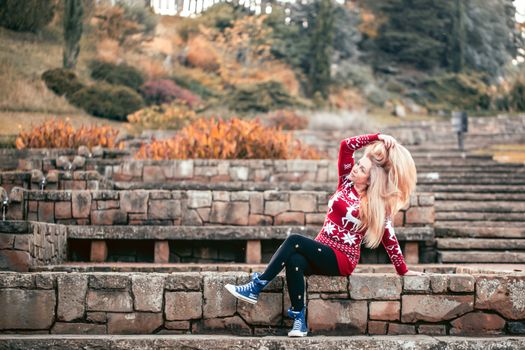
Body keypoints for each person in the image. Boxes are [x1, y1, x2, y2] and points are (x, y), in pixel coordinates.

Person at [225, 132, 424, 337]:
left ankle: (256, 286)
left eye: (362, 168)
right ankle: (299, 322)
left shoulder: (377, 205)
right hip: (323, 249)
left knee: (294, 240)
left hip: (342, 259)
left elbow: (389, 239)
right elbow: (346, 146)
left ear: (370, 179)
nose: (355, 168)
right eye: (358, 164)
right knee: (294, 260)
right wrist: (377, 137)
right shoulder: (346, 183)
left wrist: (403, 270)